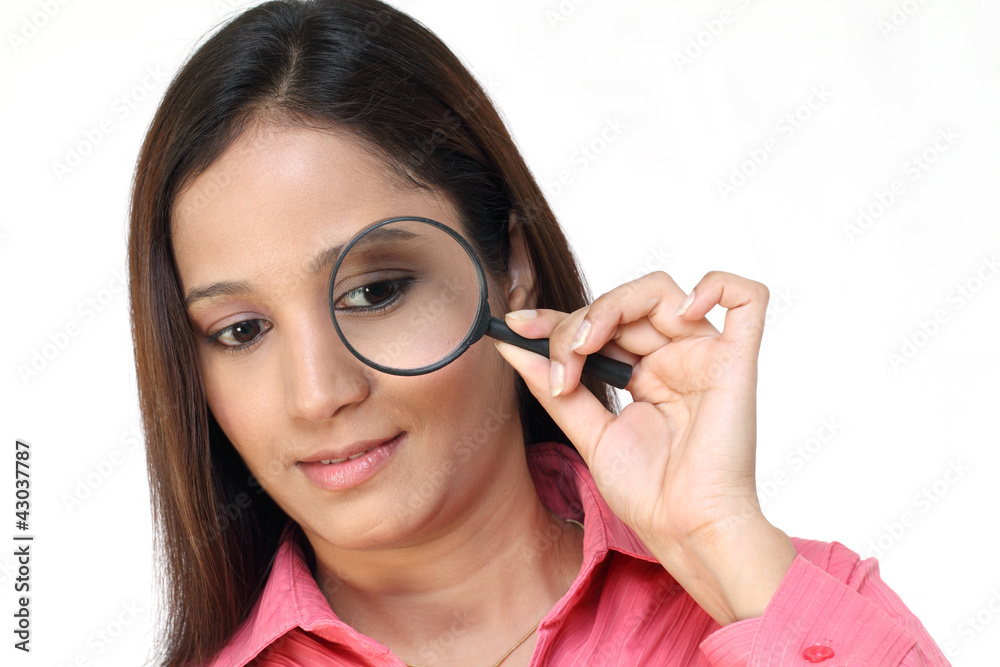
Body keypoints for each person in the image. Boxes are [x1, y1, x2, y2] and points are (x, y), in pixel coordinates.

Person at [127, 1, 951, 665]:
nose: (317, 393)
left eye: (376, 290)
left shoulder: (788, 602)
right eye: (239, 331)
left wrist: (721, 542)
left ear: (510, 266)